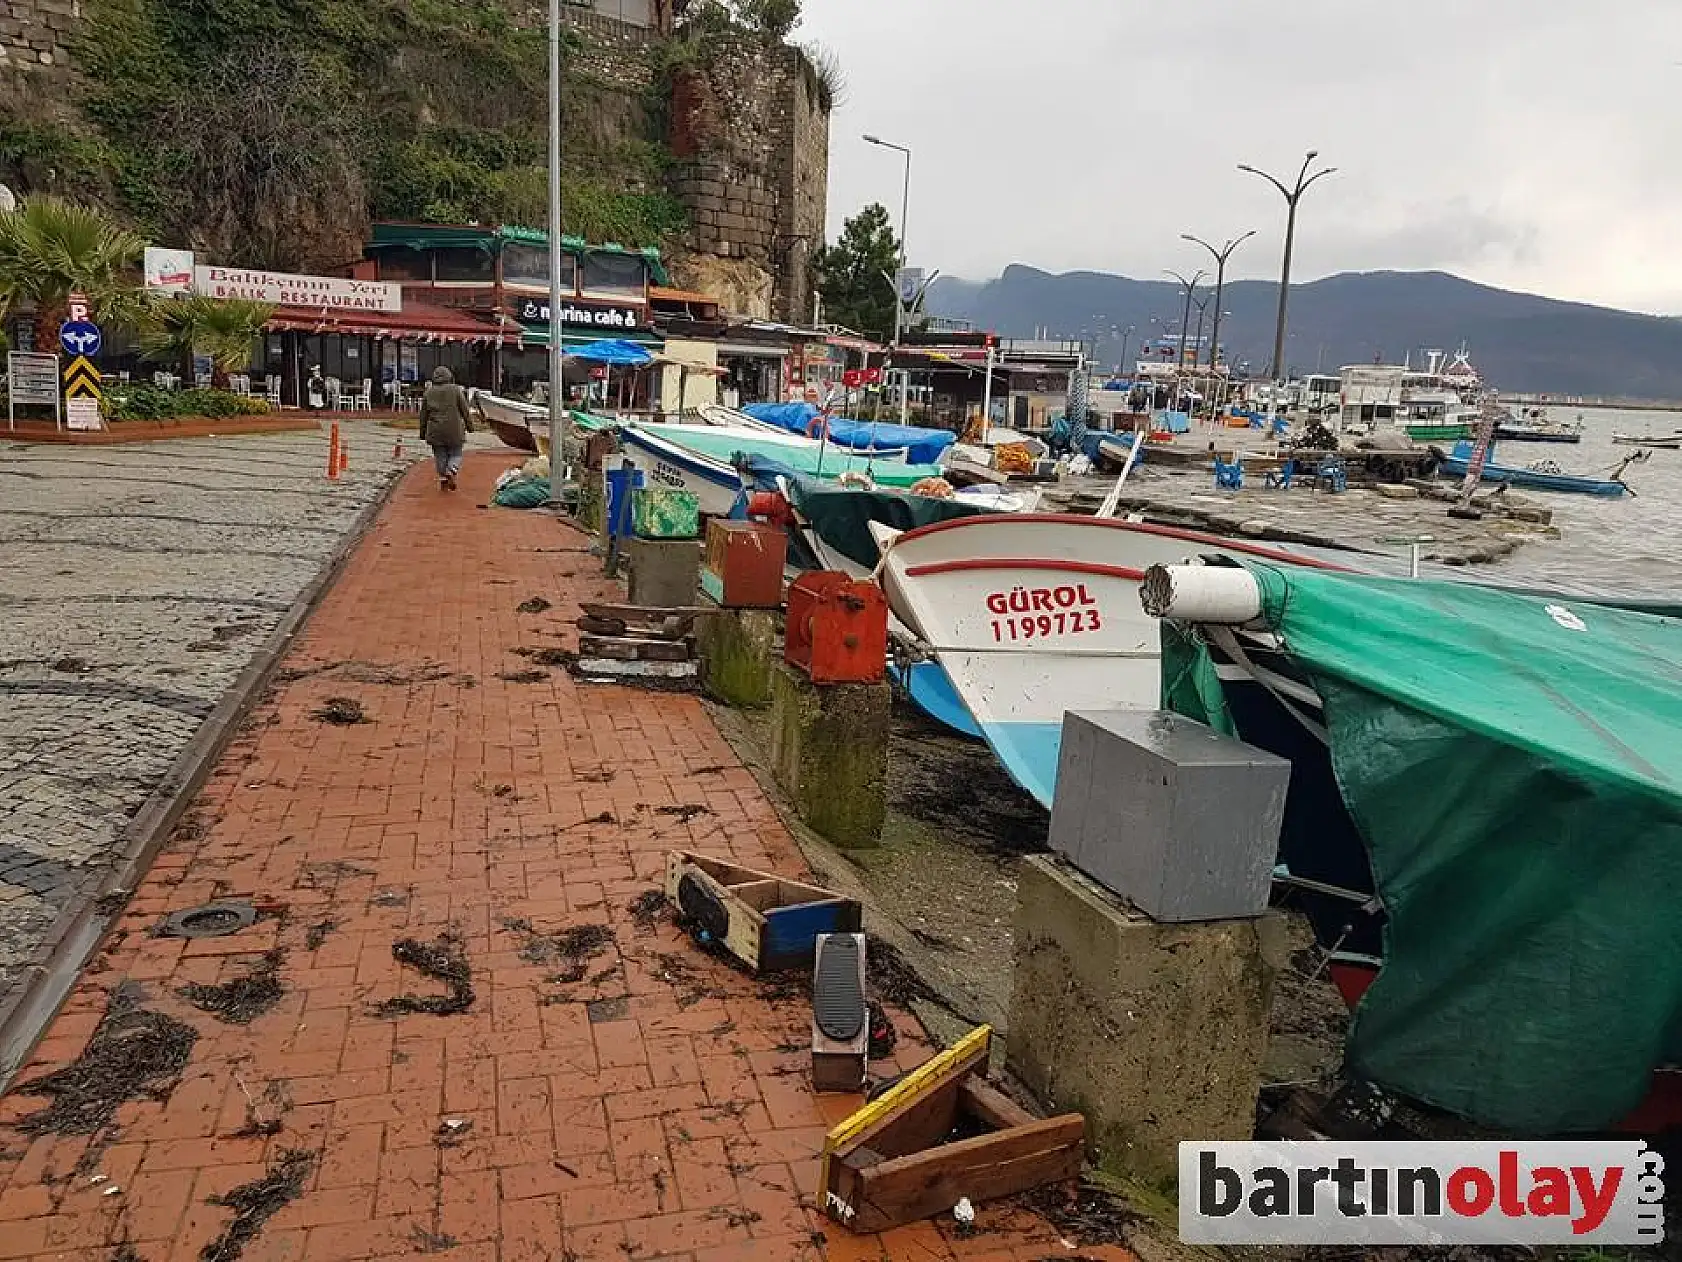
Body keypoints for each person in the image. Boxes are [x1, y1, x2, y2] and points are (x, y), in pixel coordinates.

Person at [418, 366, 472, 491]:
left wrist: (422, 432)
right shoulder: (456, 390)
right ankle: (451, 470)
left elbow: (423, 415)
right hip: (454, 429)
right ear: (449, 376)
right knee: (456, 453)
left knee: (440, 455)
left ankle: (443, 478)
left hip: (435, 430)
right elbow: (465, 410)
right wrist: (470, 426)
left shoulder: (428, 393)